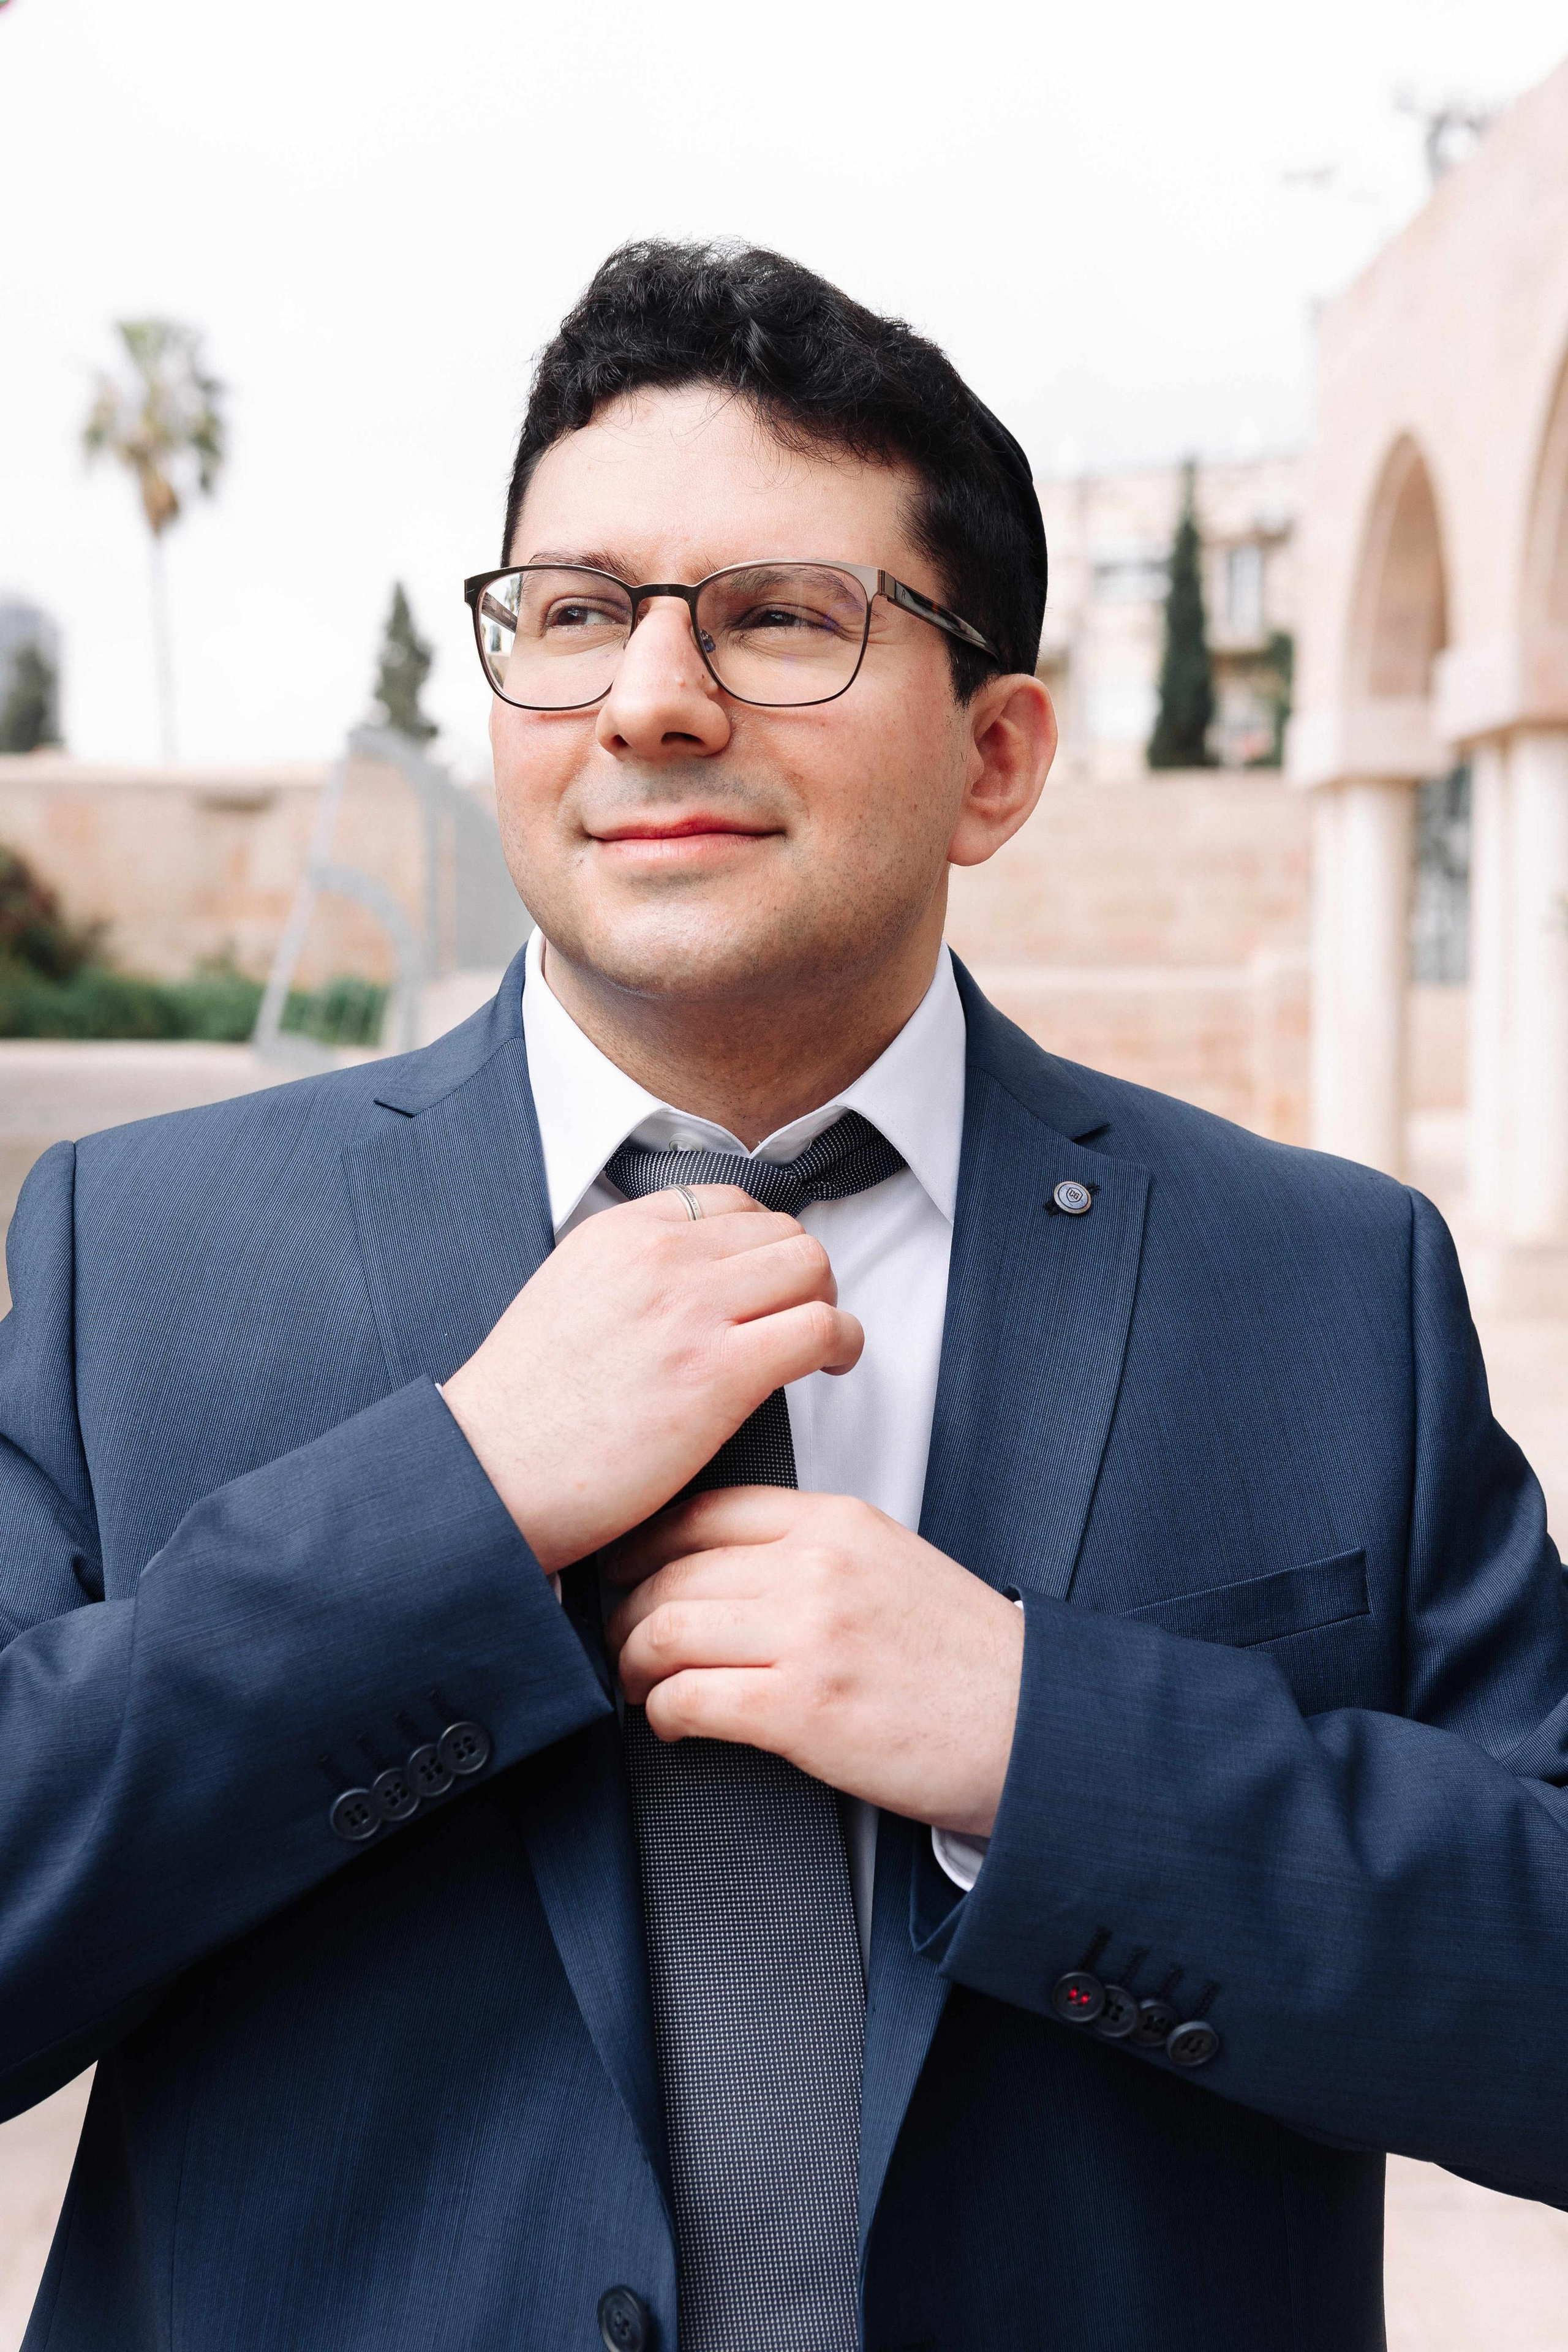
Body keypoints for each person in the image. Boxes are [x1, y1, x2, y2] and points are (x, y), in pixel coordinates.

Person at [3, 241, 1567, 2352]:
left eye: (780, 620)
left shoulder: (1325, 1287)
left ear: (996, 759)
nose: (652, 695)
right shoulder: (137, 1253)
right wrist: (439, 1519)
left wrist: (1048, 1746)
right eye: (574, 616)